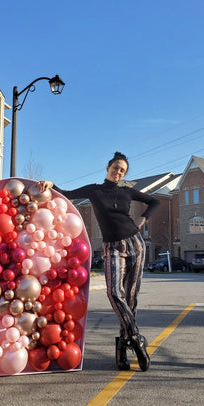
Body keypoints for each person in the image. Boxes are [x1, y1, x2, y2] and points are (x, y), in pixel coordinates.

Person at [37, 151, 159, 371]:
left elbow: (154, 202)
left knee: (130, 298)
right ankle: (136, 337)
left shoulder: (127, 191)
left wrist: (142, 219)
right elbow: (66, 194)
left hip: (135, 244)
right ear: (108, 168)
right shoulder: (94, 190)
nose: (118, 172)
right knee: (114, 293)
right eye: (116, 168)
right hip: (112, 247)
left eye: (122, 170)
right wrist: (51, 183)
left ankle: (122, 348)